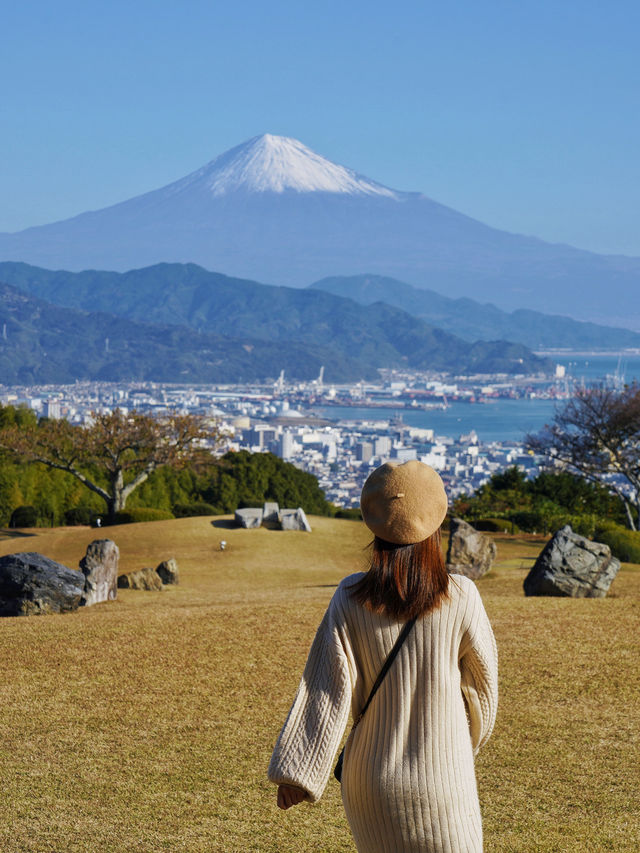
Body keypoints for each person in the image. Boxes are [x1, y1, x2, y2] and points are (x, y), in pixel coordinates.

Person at [268, 460, 498, 852]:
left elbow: (325, 689)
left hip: (370, 783)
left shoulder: (350, 596)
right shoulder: (461, 595)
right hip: (444, 777)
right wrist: (464, 742)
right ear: (435, 524)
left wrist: (298, 773)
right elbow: (482, 688)